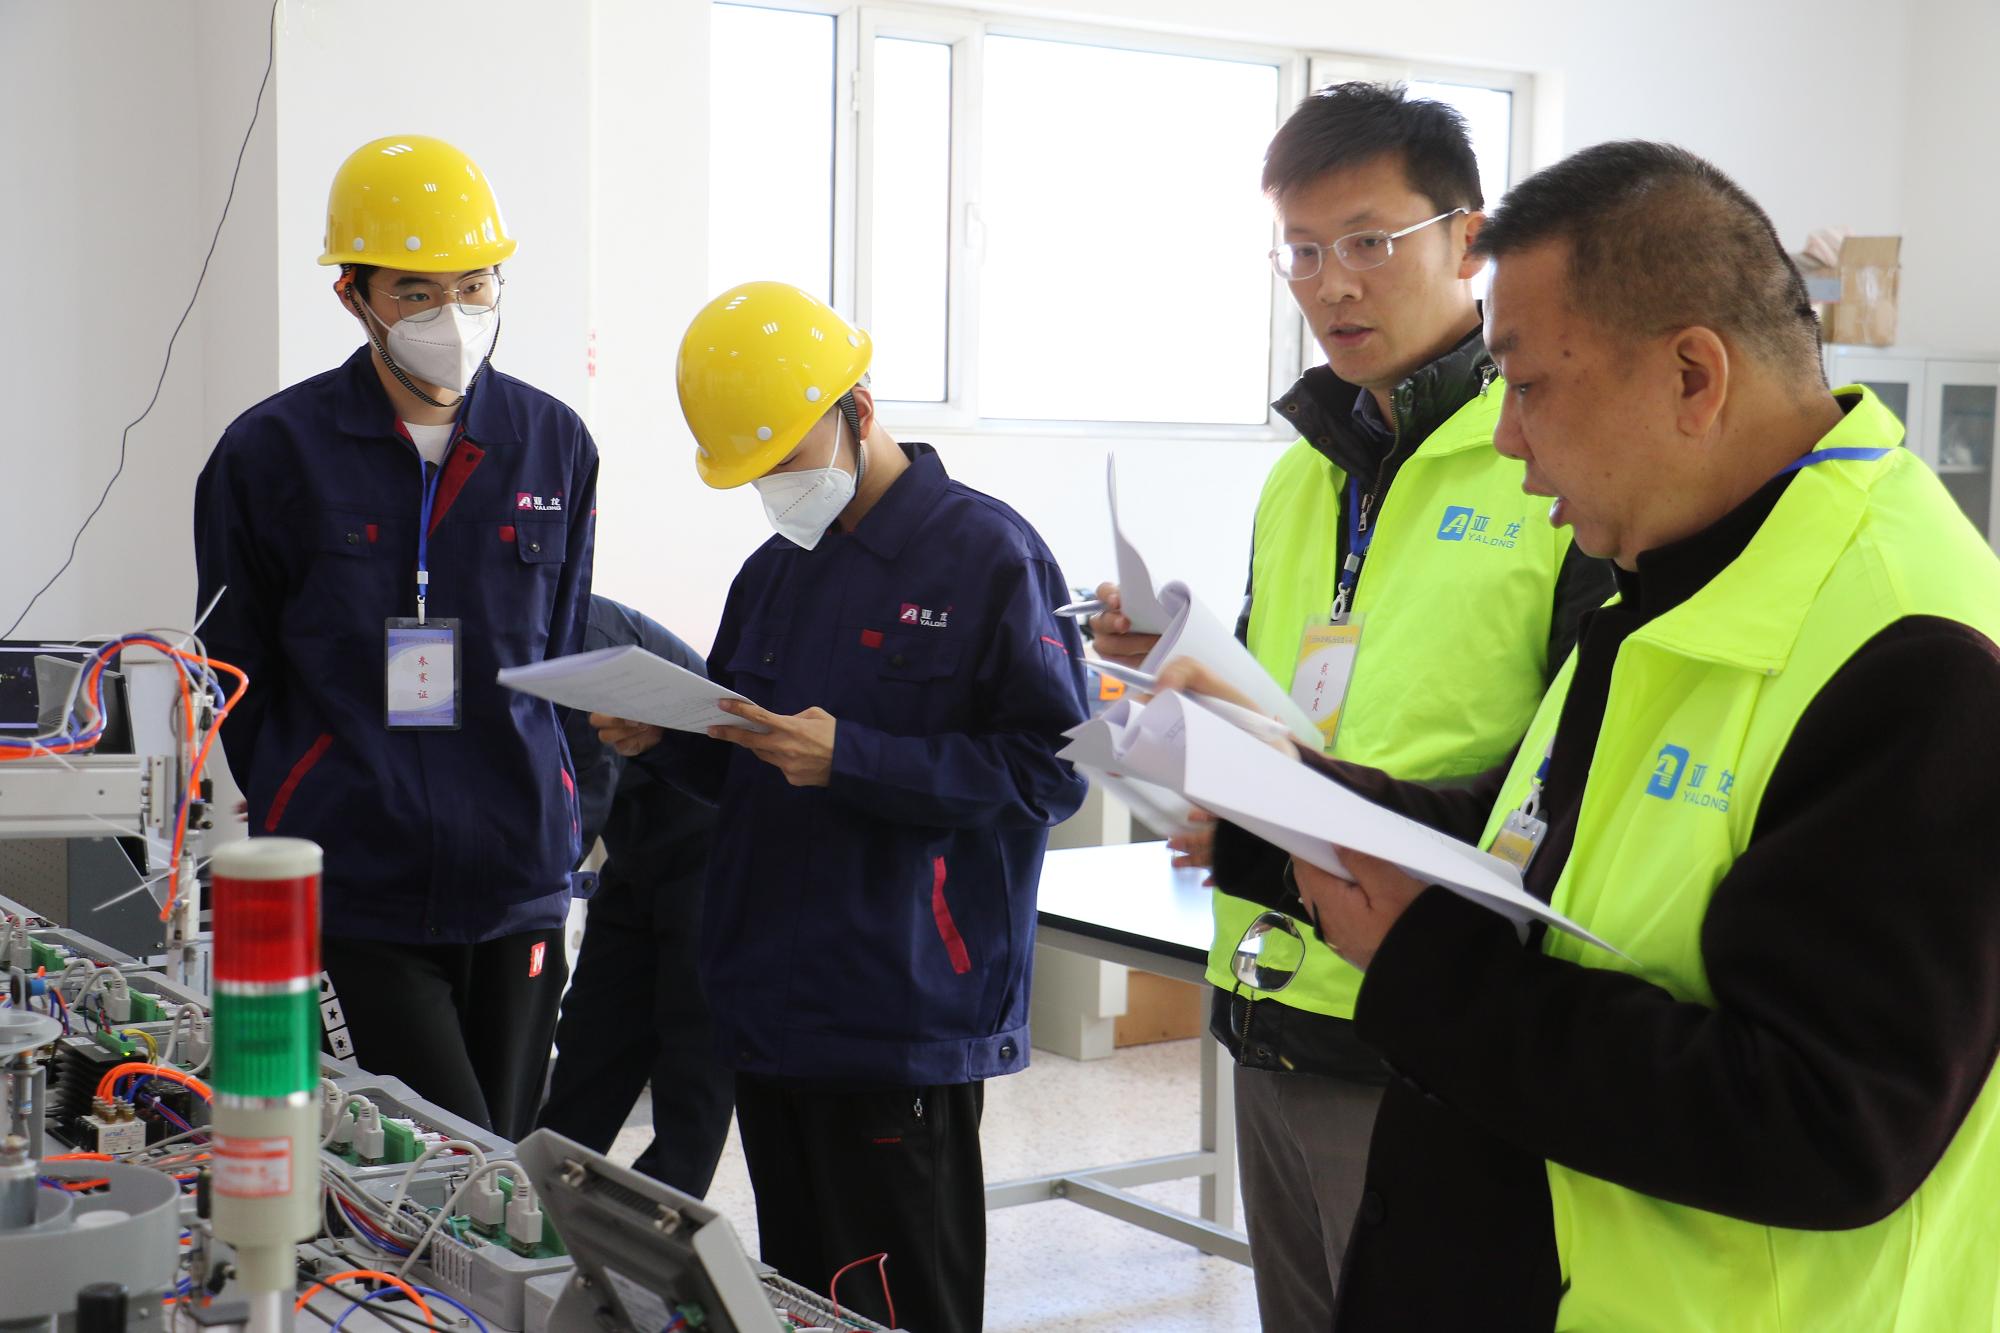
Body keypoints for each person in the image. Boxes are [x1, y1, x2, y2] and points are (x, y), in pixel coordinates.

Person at [1193, 141, 2000, 1330]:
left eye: (1526, 385)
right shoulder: (1685, 564)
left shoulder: (1911, 657)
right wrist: (1291, 815)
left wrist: (1424, 969)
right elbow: (1540, 836)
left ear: (1691, 376)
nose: (1506, 440)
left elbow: (1825, 1122)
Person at [1089, 83, 1609, 1327]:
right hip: (1270, 990)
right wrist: (1190, 698)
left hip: (1425, 1013)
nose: (1332, 285)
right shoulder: (1298, 479)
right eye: (1303, 252)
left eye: (1369, 241)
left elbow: (1574, 770)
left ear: (1465, 239)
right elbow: (1294, 707)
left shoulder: (1548, 458)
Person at [592, 281, 1088, 1333]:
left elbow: (1050, 772)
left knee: (897, 1303)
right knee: (803, 1302)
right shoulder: (774, 573)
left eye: (786, 454)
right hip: (772, 1008)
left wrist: (854, 758)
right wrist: (667, 739)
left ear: (858, 407)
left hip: (899, 1011)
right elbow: (751, 766)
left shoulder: (987, 556)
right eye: (755, 470)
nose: (777, 485)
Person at [194, 135, 596, 1138]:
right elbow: (237, 669)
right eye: (416, 293)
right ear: (353, 296)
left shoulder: (554, 443)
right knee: (417, 1163)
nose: (450, 317)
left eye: (474, 286)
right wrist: (309, 791)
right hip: (355, 881)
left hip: (516, 878)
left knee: (502, 1165)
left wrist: (555, 810)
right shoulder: (269, 453)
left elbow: (563, 650)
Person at [536, 594, 733, 1196]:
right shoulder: (518, 632)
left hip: (711, 855)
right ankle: (537, 1201)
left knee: (691, 1058)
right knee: (591, 1039)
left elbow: (570, 824)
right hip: (638, 854)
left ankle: (659, 1225)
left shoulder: (586, 646)